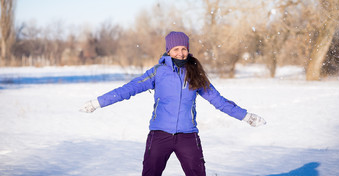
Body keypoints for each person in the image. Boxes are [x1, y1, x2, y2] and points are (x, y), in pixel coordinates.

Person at [80, 31, 266, 176]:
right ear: (169, 51)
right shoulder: (158, 72)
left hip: (188, 136)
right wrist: (97, 103)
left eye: (184, 49)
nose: (180, 52)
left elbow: (219, 101)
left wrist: (246, 116)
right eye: (176, 49)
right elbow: (127, 89)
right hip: (160, 135)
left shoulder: (195, 74)